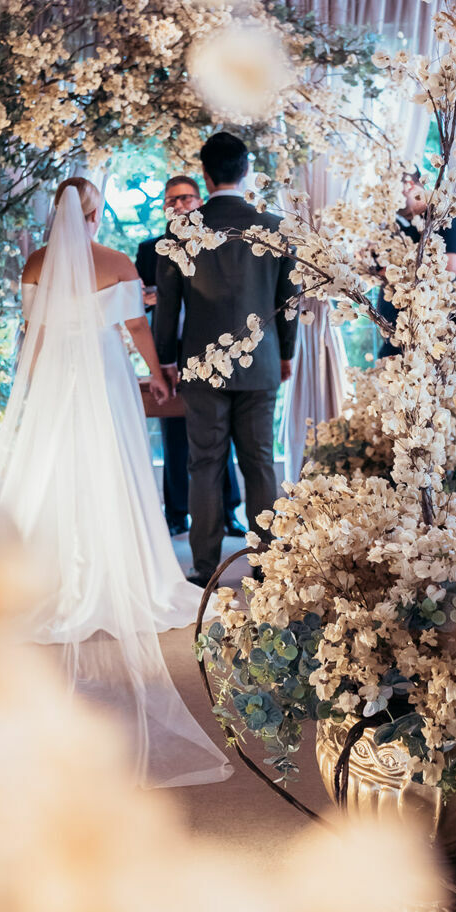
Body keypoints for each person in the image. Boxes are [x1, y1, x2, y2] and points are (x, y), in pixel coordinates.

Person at [0, 177, 231, 789]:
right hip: (103, 375)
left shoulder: (36, 264)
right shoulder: (119, 262)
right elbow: (137, 329)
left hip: (55, 380)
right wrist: (158, 374)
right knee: (113, 466)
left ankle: (48, 573)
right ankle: (119, 570)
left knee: (56, 471)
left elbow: (34, 336)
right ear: (95, 214)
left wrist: (29, 391)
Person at [154, 133, 298, 587]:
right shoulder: (275, 227)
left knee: (204, 464)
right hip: (262, 362)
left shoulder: (181, 231)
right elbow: (289, 302)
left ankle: (203, 566)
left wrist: (165, 362)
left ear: (205, 174)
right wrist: (286, 353)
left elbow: (167, 308)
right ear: (246, 169)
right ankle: (267, 563)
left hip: (200, 366)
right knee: (259, 463)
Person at [135, 175, 243, 539]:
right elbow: (136, 301)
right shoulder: (150, 249)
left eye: (186, 198)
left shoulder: (220, 242)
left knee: (220, 433)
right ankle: (177, 513)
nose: (179, 205)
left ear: (200, 202)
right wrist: (150, 298)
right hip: (169, 352)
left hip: (214, 352)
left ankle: (229, 512)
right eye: (172, 200)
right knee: (174, 434)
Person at [376, 170, 456, 359]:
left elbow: (450, 266)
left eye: (389, 193)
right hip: (396, 338)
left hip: (435, 333)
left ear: (409, 184)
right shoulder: (400, 230)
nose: (387, 201)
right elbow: (380, 272)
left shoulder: (444, 219)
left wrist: (397, 271)